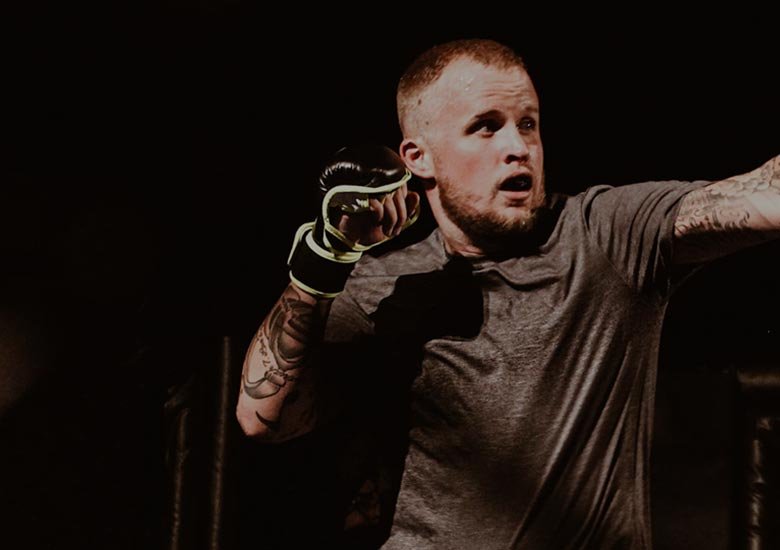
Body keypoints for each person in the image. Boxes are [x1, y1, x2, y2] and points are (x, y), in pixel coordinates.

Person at [236, 38, 780, 549]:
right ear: (418, 157)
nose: (518, 147)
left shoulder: (606, 233)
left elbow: (760, 196)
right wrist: (323, 261)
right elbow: (265, 419)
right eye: (486, 128)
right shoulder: (385, 287)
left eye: (529, 124)